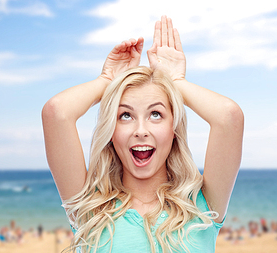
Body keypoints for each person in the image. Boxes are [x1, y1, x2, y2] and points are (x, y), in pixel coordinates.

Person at [42, 16, 244, 252]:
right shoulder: (90, 209)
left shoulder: (202, 205)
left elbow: (229, 117)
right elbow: (56, 113)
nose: (140, 131)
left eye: (156, 114)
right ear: (111, 132)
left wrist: (175, 82)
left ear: (174, 129)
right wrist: (107, 80)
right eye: (125, 116)